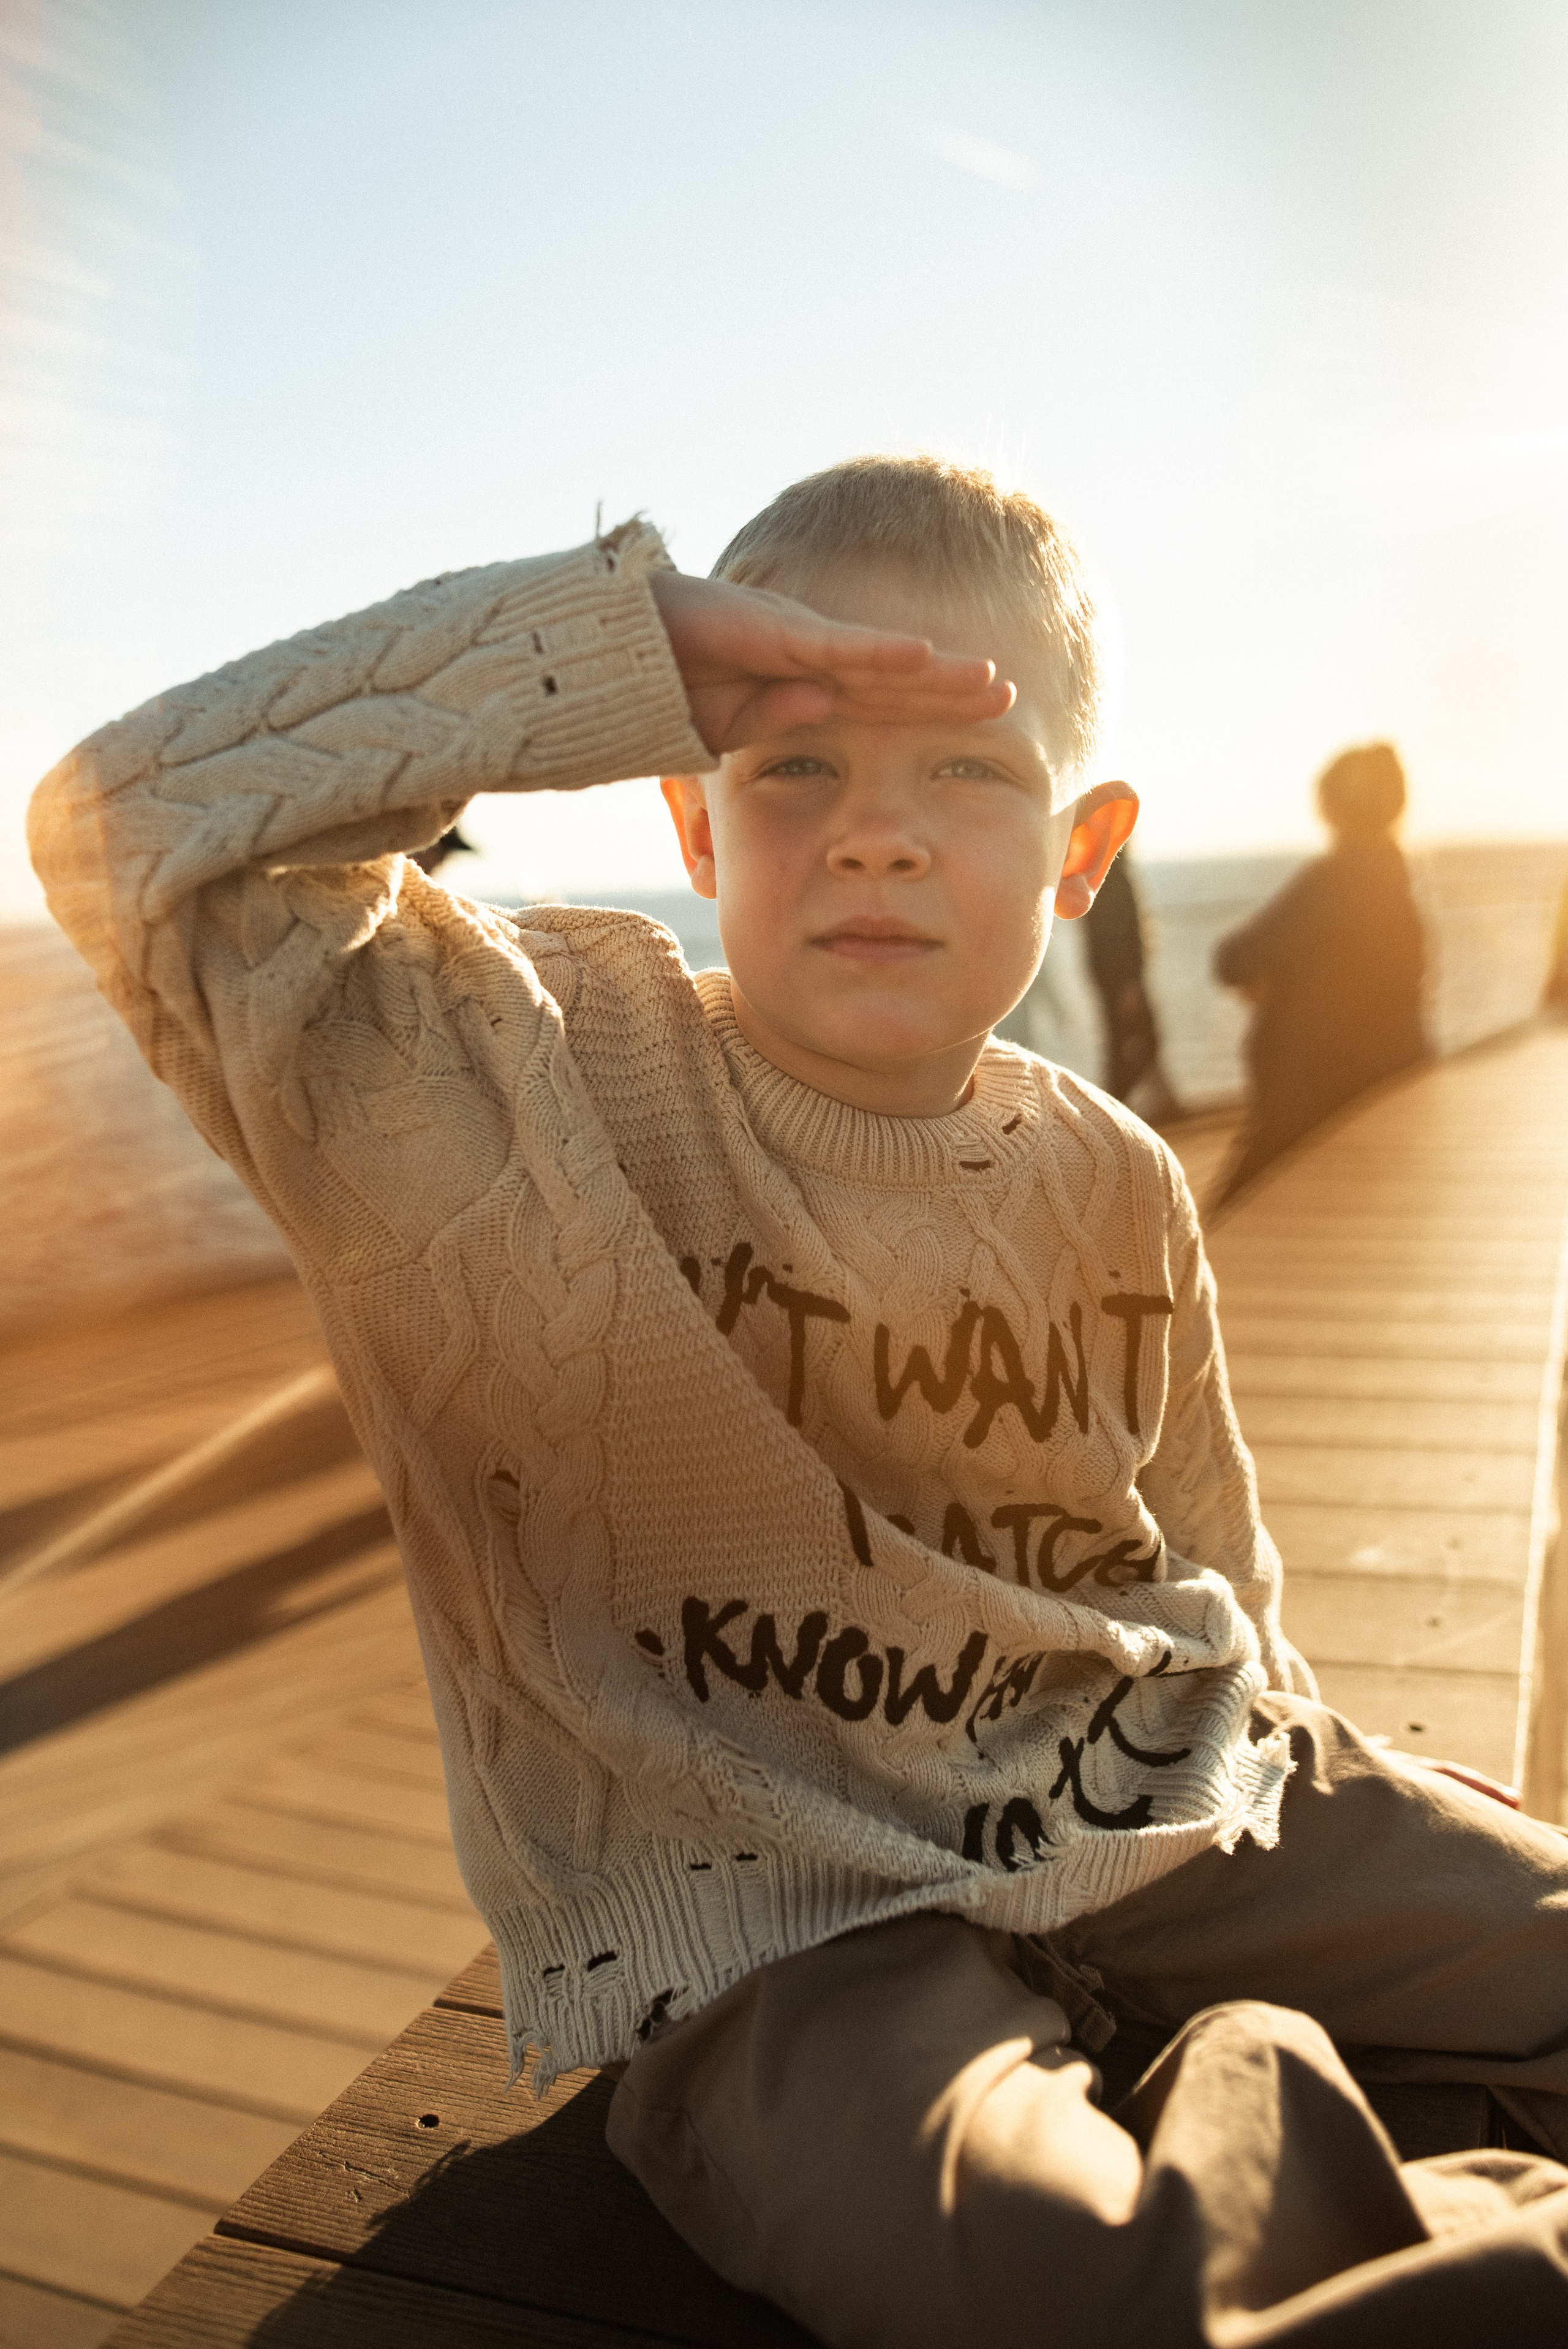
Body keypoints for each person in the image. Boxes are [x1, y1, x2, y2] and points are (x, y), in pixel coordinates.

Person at [29, 457, 1568, 2345]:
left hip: (1161, 1796)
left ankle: (1250, 2061)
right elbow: (130, 825)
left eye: (966, 773)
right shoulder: (513, 1086)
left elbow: (1199, 1542)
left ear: (1081, 856)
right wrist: (608, 647)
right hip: (783, 1930)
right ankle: (1276, 2117)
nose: (876, 835)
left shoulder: (1111, 1178)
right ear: (688, 812)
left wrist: (1319, 1755)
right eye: (795, 764)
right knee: (1053, 2279)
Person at [1213, 742, 1427, 1204]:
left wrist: (1274, 975)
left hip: (1310, 1091)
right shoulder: (1399, 883)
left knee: (1232, 1214)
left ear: (1334, 806)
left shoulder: (1330, 882)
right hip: (1387, 1078)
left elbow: (1232, 960)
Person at [1081, 847, 1180, 1120]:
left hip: (1114, 978)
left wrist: (1127, 981)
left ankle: (1113, 1108)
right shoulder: (1112, 880)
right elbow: (1126, 935)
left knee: (1125, 1042)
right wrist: (1131, 981)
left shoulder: (1102, 882)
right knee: (1139, 1040)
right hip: (1120, 979)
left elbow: (1113, 938)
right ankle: (1116, 1107)